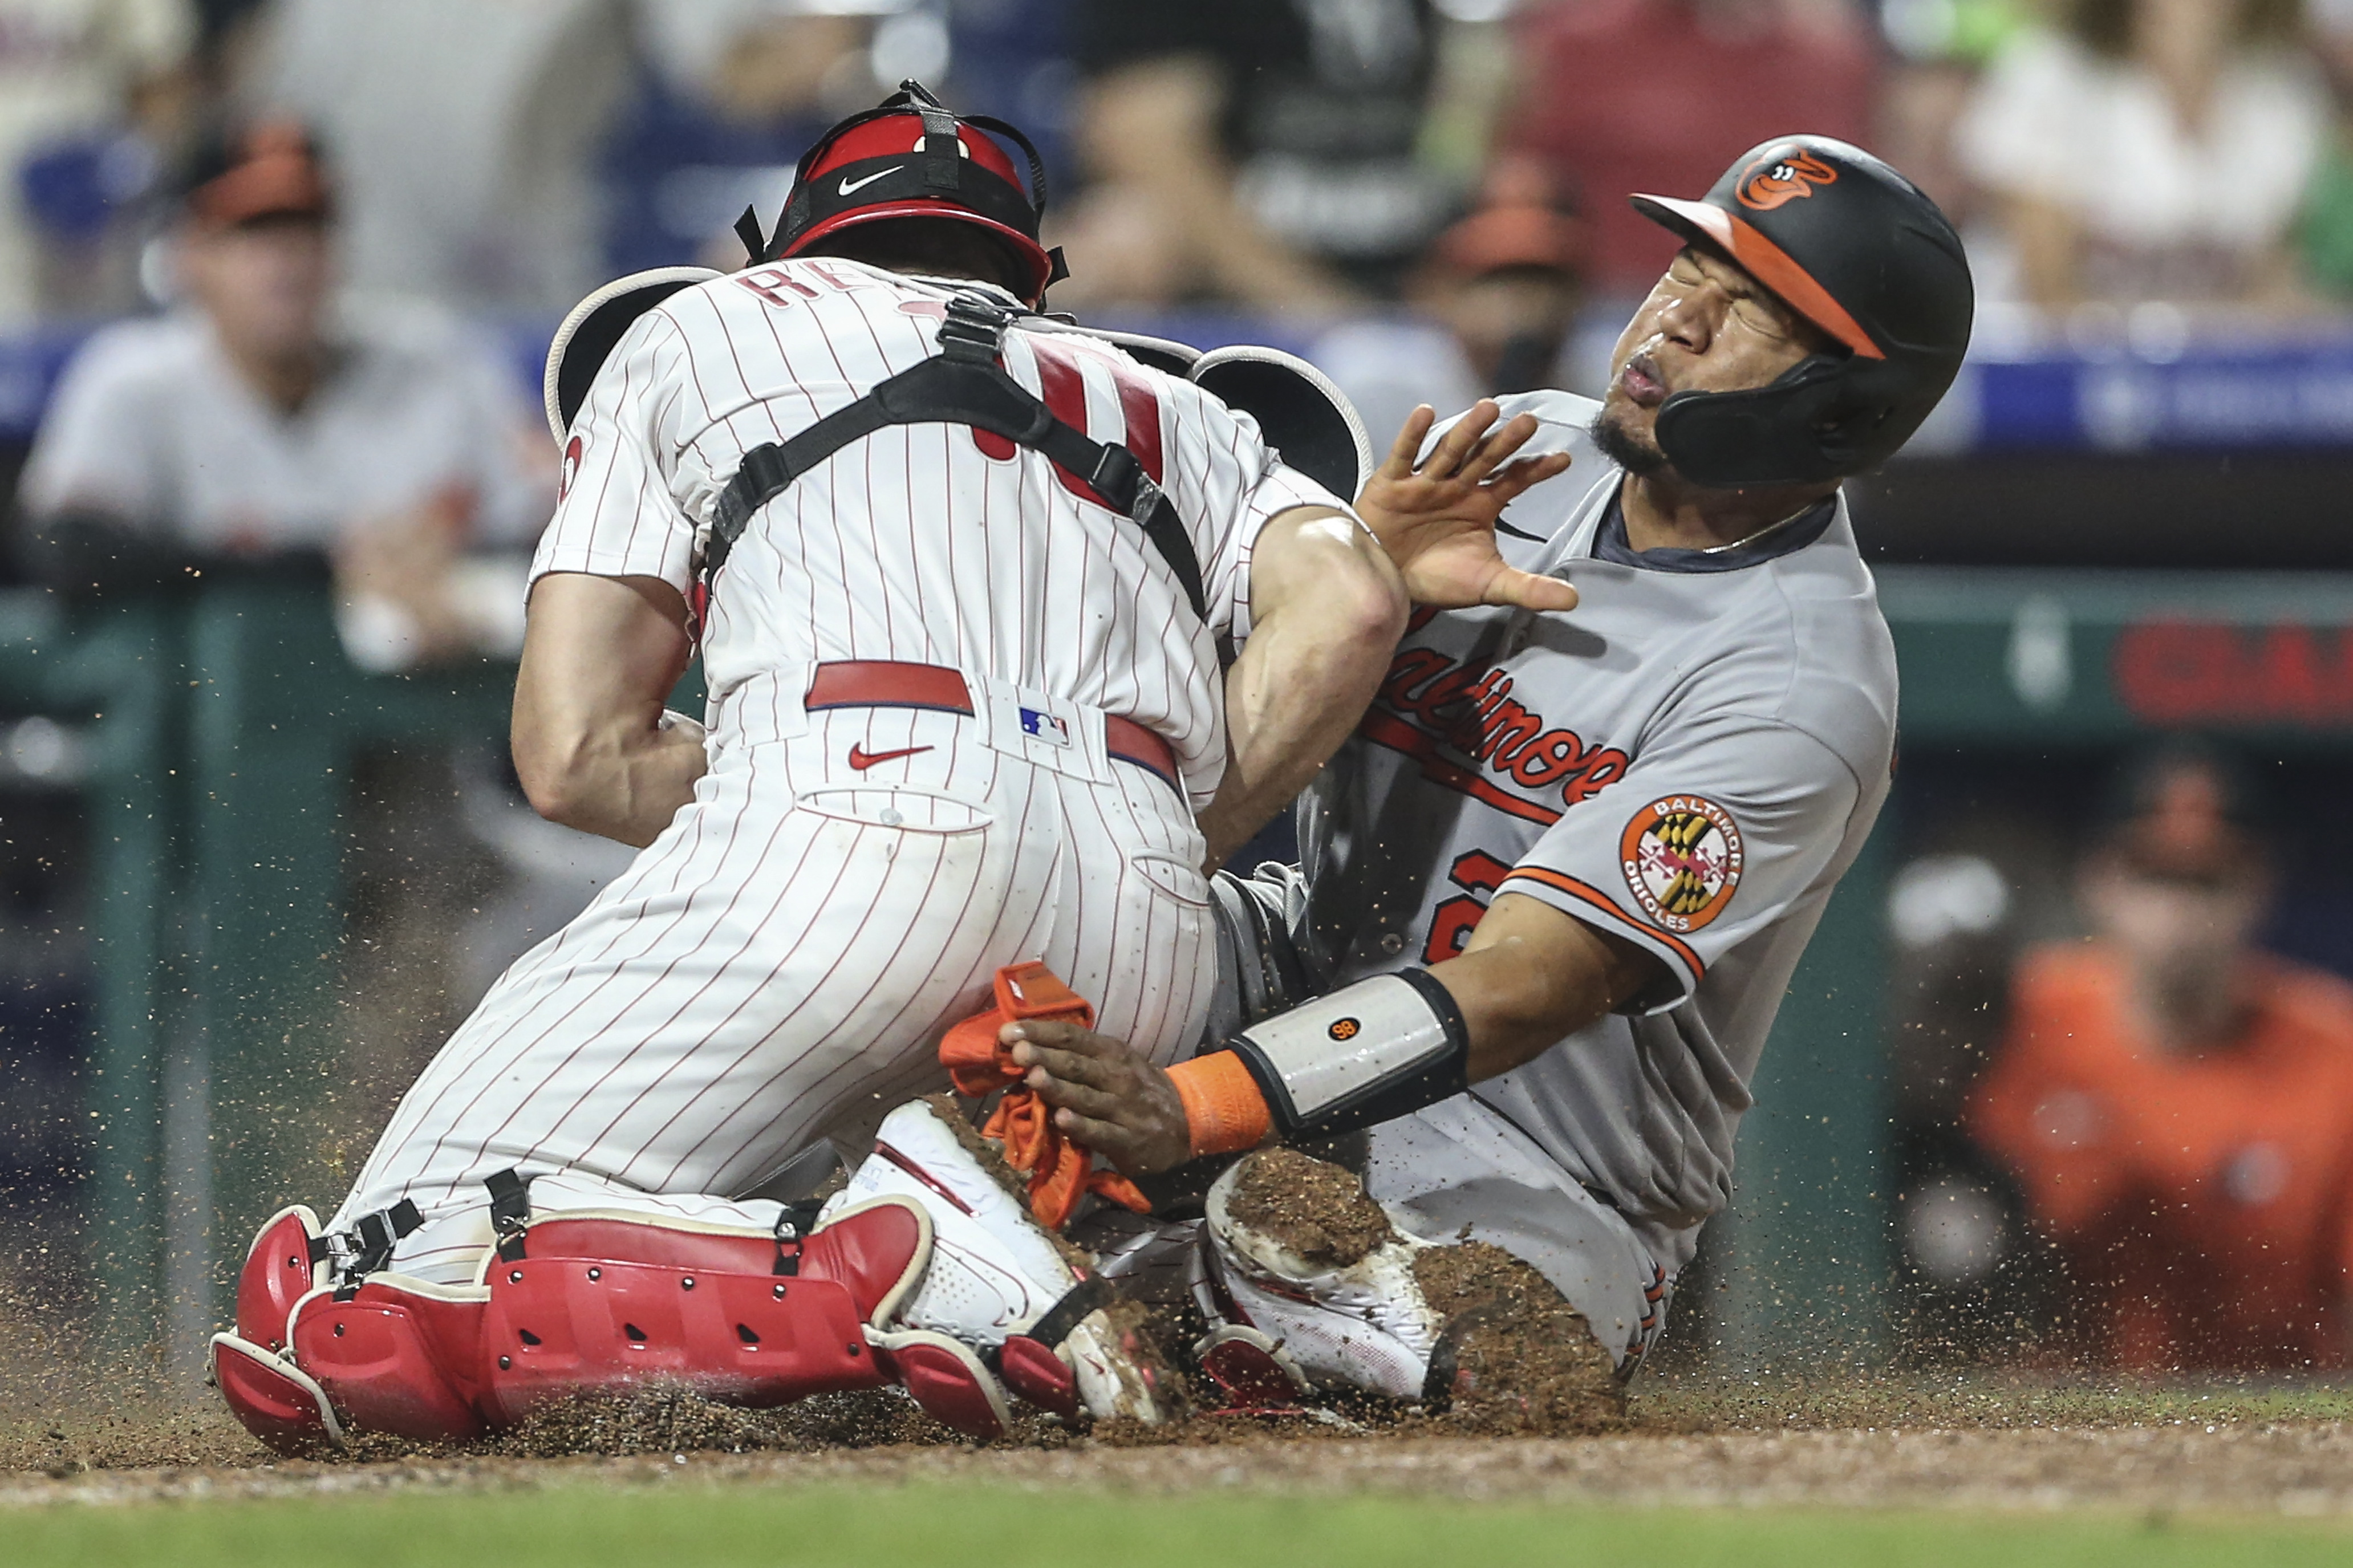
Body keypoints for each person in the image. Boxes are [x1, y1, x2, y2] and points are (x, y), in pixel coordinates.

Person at [207, 83, 1563, 1452]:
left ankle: (935, 1254)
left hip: (841, 833)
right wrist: (1160, 826)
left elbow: (574, 754)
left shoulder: (705, 323)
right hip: (1140, 943)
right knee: (771, 1238)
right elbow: (1355, 609)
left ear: (794, 244)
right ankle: (1213, 1287)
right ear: (1032, 272)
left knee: (358, 1285)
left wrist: (846, 804)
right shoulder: (1181, 402)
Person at [1007, 136, 1975, 1419]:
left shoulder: (1801, 679)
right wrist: (1354, 589)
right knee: (998, 932)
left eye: (1739, 307)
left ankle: (1156, 1308)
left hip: (1535, 1164)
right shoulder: (1519, 456)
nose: (1671, 314)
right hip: (1280, 976)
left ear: (1842, 403)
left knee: (1402, 1320)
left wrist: (1189, 1105)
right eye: (1687, 262)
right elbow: (1177, 726)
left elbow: (1533, 982)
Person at [17, 118, 549, 667]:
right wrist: (326, 566)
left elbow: (571, 535)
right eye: (253, 234)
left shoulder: (439, 358)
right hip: (211, 726)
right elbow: (65, 555)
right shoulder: (133, 377)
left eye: (307, 229)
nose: (286, 263)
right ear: (188, 257)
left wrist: (448, 566)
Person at [1969, 746, 2353, 1371]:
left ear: (2259, 886)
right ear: (2098, 881)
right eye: (2154, 874)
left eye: (2207, 879)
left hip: (2256, 1424)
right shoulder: (2023, 1021)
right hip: (2049, 1423)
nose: (2178, 910)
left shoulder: (2335, 1047)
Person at [1055, 0, 1455, 309]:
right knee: (1130, 236)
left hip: (1428, 280)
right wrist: (1319, 311)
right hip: (1247, 304)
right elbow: (1140, 137)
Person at [1955, 0, 2328, 309]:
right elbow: (2049, 294)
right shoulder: (2050, 74)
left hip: (2209, 381)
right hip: (2045, 379)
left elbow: (2273, 287)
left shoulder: (2282, 93)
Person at [1499, 0, 1879, 300]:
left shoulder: (1831, 61)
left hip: (1765, 315)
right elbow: (1521, 182)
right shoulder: (1575, 41)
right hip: (1599, 307)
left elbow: (1856, 208)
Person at [1314, 165, 1588, 460]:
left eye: (1545, 281)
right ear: (1439, 293)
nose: (1524, 304)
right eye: (1496, 282)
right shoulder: (1374, 379)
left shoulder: (1608, 386)